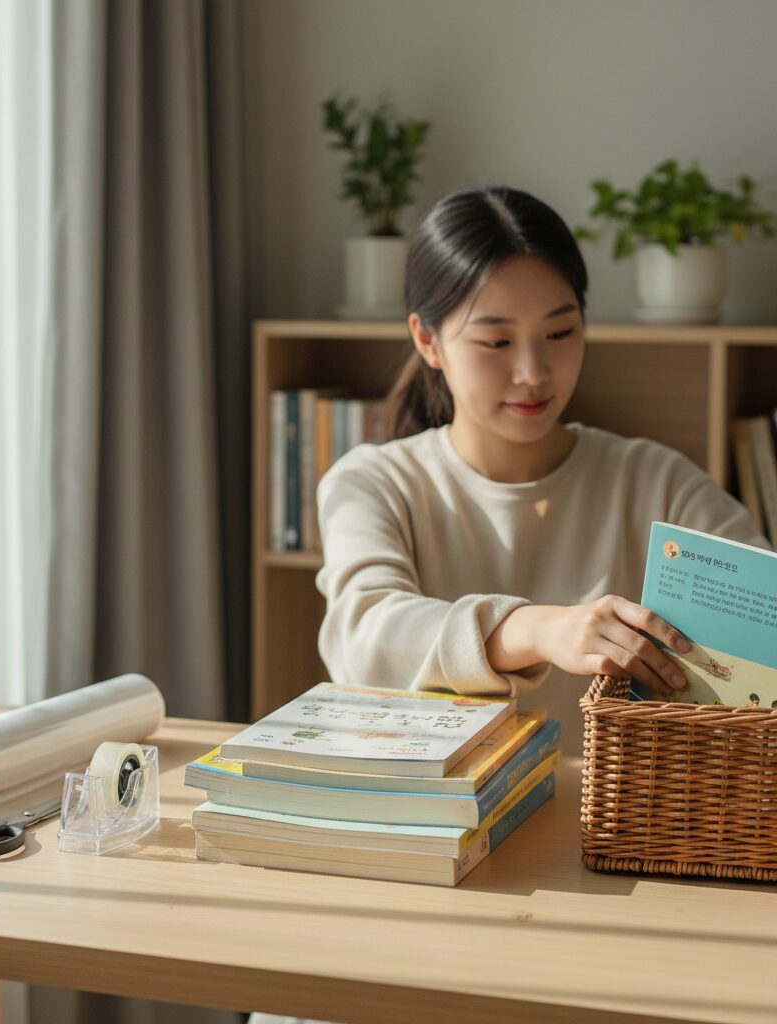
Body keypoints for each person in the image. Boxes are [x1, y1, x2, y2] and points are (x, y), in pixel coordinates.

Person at [315, 186, 770, 752]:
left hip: (619, 829)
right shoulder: (374, 483)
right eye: (496, 340)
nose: (533, 372)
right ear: (427, 340)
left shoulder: (659, 481)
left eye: (560, 333)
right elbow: (367, 637)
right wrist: (538, 630)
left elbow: (762, 619)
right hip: (437, 830)